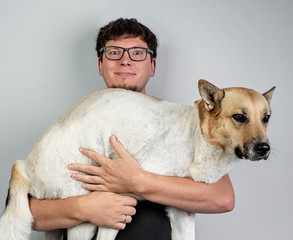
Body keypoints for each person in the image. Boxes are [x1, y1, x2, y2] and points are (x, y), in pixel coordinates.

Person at [29, 18, 235, 239]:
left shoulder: (181, 126)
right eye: (114, 52)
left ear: (153, 66)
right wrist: (82, 208)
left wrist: (136, 181)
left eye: (137, 53)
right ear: (100, 65)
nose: (125, 61)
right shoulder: (77, 124)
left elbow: (222, 197)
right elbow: (28, 213)